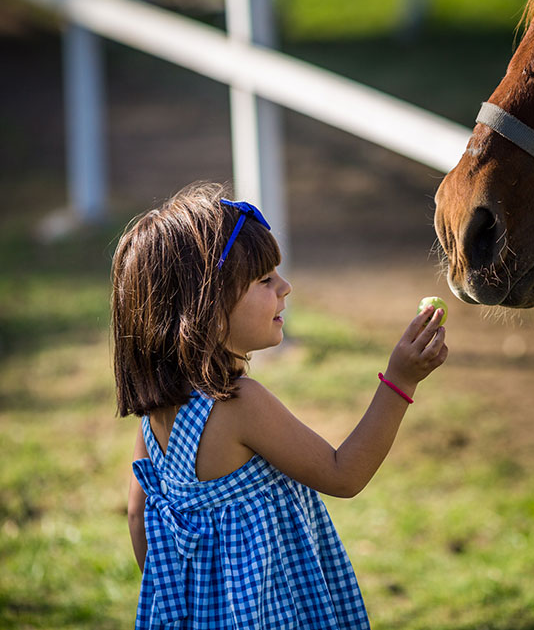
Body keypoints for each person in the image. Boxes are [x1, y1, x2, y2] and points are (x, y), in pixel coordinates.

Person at [113, 182, 448, 629]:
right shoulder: (238, 404)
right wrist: (401, 379)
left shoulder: (155, 416)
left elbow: (140, 517)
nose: (285, 288)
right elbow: (342, 474)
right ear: (207, 307)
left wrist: (182, 605)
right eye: (265, 280)